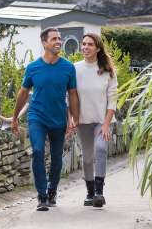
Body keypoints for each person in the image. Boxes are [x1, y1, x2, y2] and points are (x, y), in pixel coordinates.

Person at [12, 27, 79, 211]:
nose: (58, 42)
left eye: (59, 39)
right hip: (37, 117)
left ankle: (52, 191)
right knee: (38, 151)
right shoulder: (33, 68)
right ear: (44, 43)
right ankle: (42, 195)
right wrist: (15, 116)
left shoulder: (68, 67)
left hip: (58, 118)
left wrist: (74, 118)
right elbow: (23, 93)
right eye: (54, 39)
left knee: (57, 158)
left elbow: (72, 94)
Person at [74, 33, 118, 208]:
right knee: (86, 159)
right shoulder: (74, 68)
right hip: (83, 120)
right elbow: (70, 96)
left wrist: (106, 124)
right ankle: (90, 192)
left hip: (102, 120)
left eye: (89, 44)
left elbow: (113, 99)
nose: (85, 47)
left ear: (98, 48)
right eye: (83, 44)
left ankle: (99, 193)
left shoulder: (108, 71)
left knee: (100, 149)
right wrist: (71, 117)